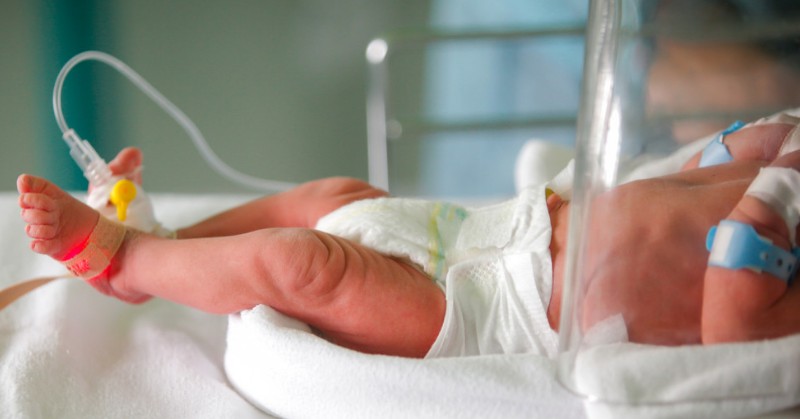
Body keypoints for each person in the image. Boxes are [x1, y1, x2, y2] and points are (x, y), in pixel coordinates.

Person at [15, 115, 800, 358]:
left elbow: (735, 321)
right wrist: (752, 147)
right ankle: (167, 238)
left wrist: (776, 189)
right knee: (329, 198)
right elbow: (706, 162)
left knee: (304, 264)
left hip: (492, 311)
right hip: (501, 225)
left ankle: (131, 262)